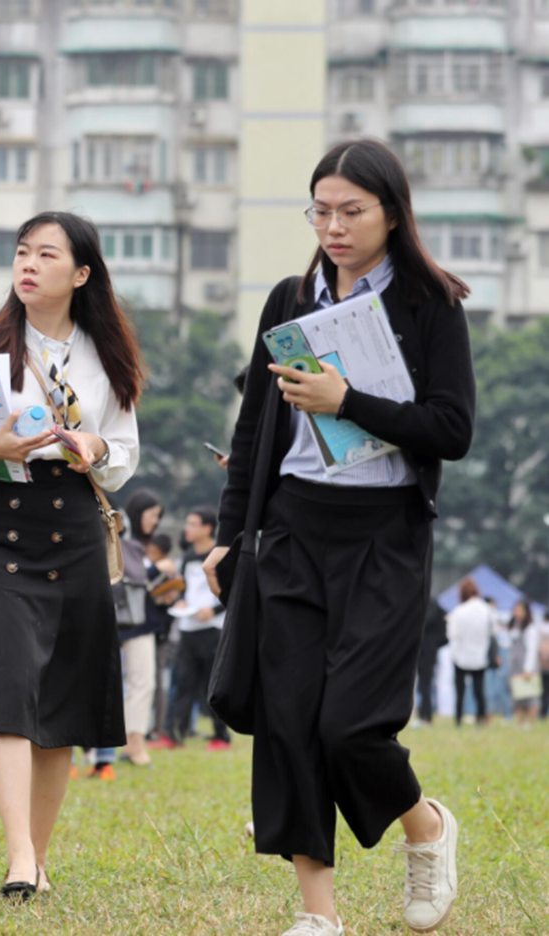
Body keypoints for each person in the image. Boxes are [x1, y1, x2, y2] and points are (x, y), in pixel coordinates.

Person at [204, 138, 475, 936]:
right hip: (290, 527)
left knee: (350, 724)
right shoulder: (290, 299)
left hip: (383, 535)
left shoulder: (433, 304)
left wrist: (346, 398)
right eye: (321, 210)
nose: (334, 225)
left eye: (351, 211)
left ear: (392, 213)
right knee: (287, 721)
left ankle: (425, 825)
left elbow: (451, 430)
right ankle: (317, 916)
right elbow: (254, 426)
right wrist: (229, 533)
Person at [0, 210, 142, 899]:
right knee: (12, 686)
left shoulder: (106, 355)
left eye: (46, 255)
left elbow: (125, 451)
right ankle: (19, 857)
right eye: (22, 252)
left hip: (73, 524)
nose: (28, 265)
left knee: (64, 701)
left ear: (80, 274)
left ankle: (37, 859)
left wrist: (96, 448)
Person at [91, 488, 163, 775]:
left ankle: (135, 743)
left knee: (142, 683)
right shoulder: (117, 526)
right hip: (109, 613)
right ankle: (95, 749)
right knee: (104, 683)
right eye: (152, 515)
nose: (155, 522)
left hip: (141, 619)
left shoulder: (144, 545)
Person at [167, 507, 230, 751]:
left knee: (212, 685)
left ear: (207, 528)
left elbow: (232, 592)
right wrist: (180, 600)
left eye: (193, 524)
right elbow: (184, 588)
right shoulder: (187, 557)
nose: (187, 529)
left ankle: (220, 736)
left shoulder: (221, 555)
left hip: (212, 629)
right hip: (187, 627)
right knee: (183, 683)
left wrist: (212, 612)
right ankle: (176, 735)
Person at [145, 531, 181, 747]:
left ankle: (158, 729)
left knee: (158, 683)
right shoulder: (154, 570)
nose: (150, 556)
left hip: (163, 633)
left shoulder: (168, 571)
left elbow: (166, 599)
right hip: (152, 630)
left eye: (153, 553)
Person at [447, 579, 494, 728]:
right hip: (480, 656)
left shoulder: (458, 611)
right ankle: (480, 721)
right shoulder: (487, 610)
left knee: (460, 692)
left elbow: (452, 635)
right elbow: (492, 632)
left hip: (460, 656)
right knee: (479, 691)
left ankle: (458, 721)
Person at [508, 600, 543, 728]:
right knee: (519, 695)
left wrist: (528, 668)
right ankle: (520, 722)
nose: (516, 612)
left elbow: (532, 650)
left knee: (530, 695)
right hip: (515, 666)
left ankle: (531, 722)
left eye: (519, 609)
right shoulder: (515, 626)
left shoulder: (530, 628)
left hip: (527, 666)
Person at [415, 598, 448, 725]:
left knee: (424, 685)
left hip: (425, 651)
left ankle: (425, 715)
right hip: (429, 651)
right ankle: (425, 714)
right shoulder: (435, 605)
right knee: (425, 684)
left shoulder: (427, 606)